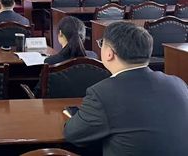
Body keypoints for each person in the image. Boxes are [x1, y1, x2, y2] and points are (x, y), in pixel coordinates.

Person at [64, 21, 188, 155]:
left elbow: (72, 134)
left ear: (109, 54)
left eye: (101, 43)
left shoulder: (102, 94)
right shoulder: (178, 83)